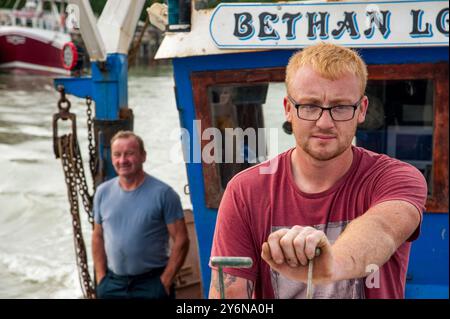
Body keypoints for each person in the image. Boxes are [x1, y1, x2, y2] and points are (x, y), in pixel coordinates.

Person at [209, 43, 427, 299]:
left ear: (362, 110)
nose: (325, 123)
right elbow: (229, 295)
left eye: (341, 107)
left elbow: (383, 229)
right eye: (310, 106)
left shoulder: (395, 178)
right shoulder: (245, 191)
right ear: (288, 109)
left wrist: (330, 264)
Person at [92, 130, 189, 299]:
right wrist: (101, 279)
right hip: (113, 285)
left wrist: (165, 282)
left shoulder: (164, 194)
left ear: (143, 156)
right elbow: (97, 237)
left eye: (129, 154)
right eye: (117, 155)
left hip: (151, 284)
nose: (122, 160)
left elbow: (181, 240)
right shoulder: (102, 193)